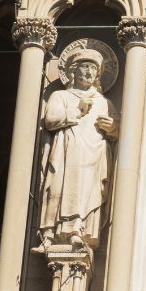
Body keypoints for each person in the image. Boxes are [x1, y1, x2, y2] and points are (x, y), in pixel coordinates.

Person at [37, 48, 118, 251]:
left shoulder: (104, 103)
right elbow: (50, 120)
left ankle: (80, 230)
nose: (90, 72)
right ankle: (50, 233)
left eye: (94, 69)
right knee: (59, 188)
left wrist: (112, 128)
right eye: (85, 67)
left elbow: (117, 131)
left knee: (87, 193)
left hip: (94, 156)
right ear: (73, 70)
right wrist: (77, 110)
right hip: (66, 153)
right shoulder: (61, 95)